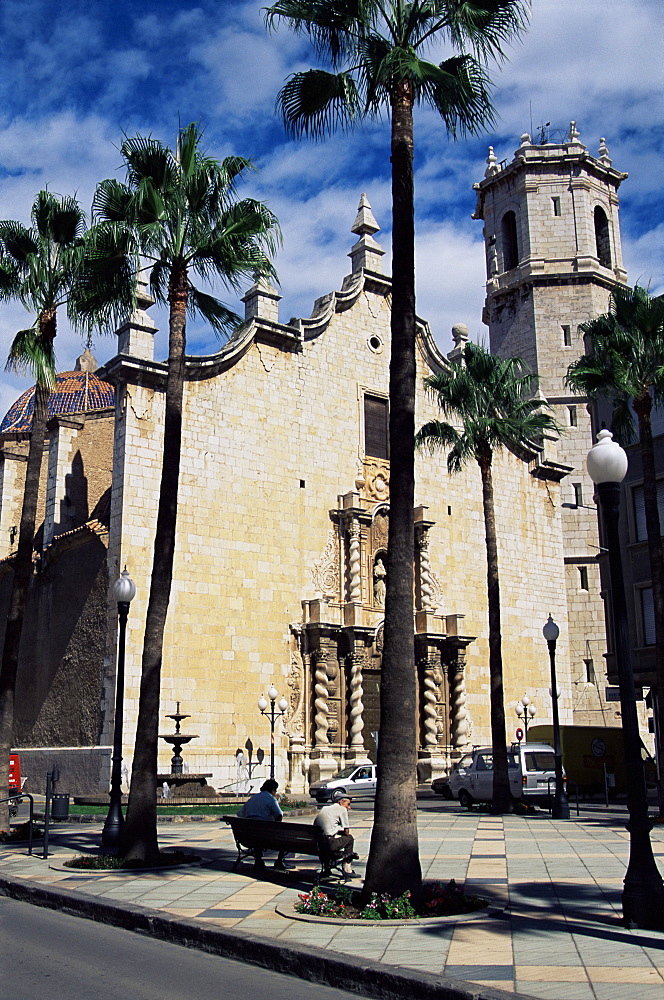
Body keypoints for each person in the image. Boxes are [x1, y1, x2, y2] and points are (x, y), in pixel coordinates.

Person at [237, 778, 293, 871]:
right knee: (285, 836)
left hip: (248, 836)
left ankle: (258, 859)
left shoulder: (253, 799)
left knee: (258, 832)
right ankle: (279, 861)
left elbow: (240, 814)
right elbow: (279, 815)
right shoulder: (271, 799)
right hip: (266, 837)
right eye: (275, 790)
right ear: (272, 790)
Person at [313, 795, 358, 877]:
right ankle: (347, 867)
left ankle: (326, 868)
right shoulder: (342, 809)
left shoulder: (325, 808)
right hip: (329, 844)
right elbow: (346, 831)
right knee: (350, 838)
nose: (349, 807)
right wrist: (342, 832)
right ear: (341, 802)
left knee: (327, 841)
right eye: (348, 804)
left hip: (316, 844)